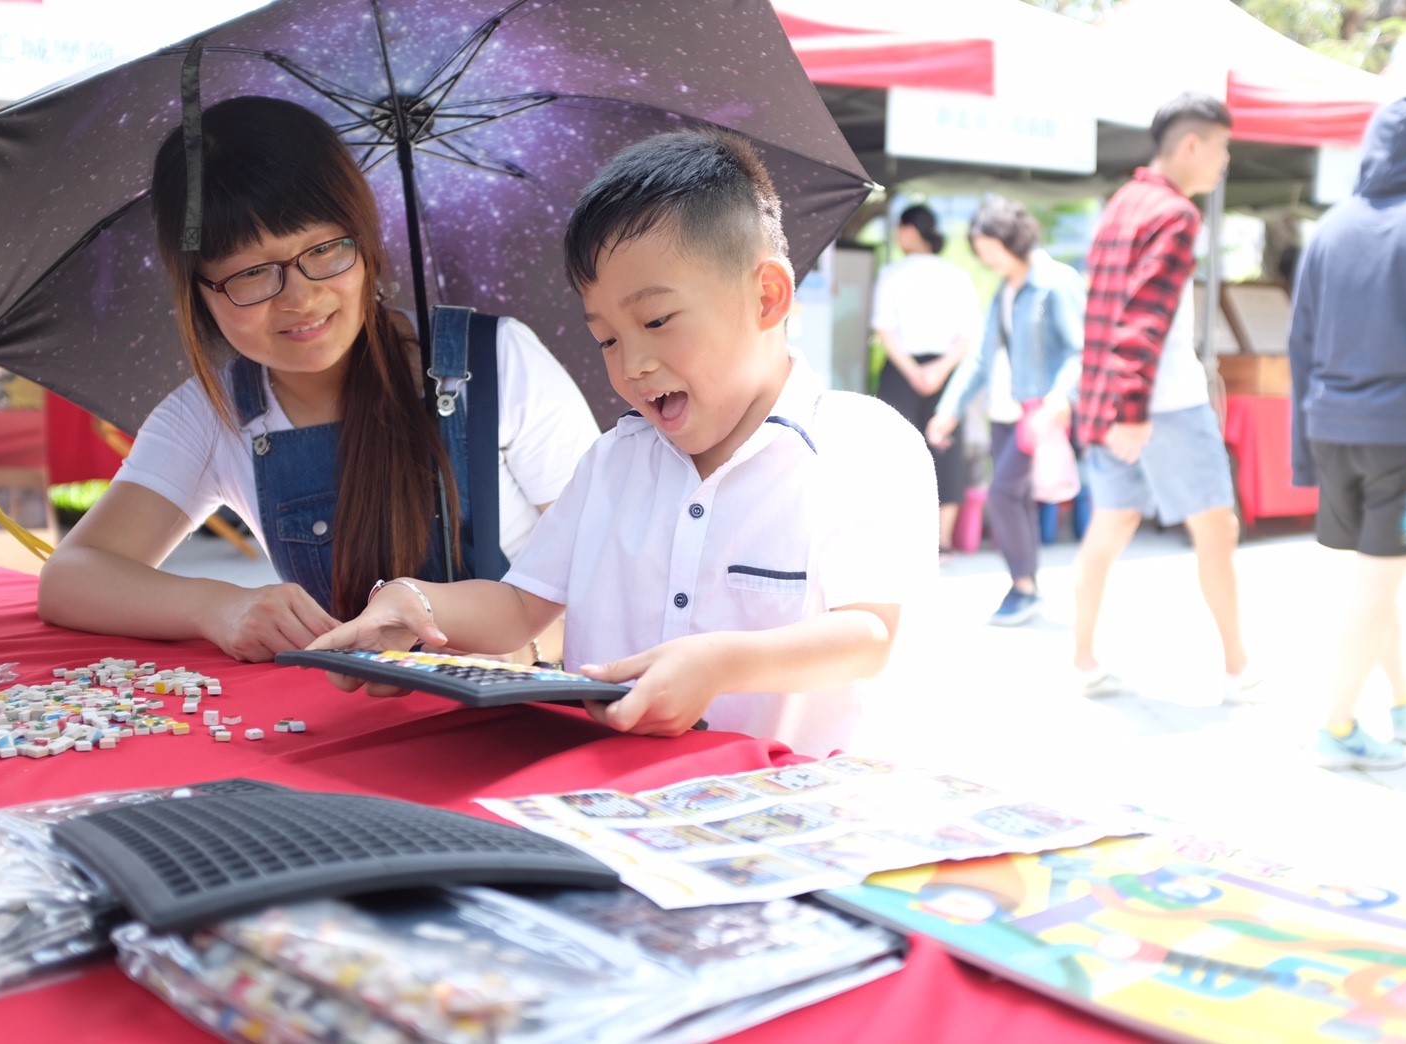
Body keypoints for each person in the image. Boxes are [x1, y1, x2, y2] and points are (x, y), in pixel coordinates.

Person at [312, 129, 937, 757]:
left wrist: (720, 663)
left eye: (657, 321)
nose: (631, 364)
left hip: (787, 815)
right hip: (606, 804)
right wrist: (413, 601)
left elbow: (868, 634)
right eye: (607, 338)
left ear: (767, 295)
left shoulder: (863, 447)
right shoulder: (612, 462)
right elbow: (516, 606)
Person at [37, 96, 600, 662]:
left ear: (364, 239)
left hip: (521, 715)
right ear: (199, 293)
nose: (301, 298)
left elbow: (606, 572)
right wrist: (217, 606)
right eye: (253, 273)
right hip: (344, 730)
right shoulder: (214, 415)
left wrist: (514, 650)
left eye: (325, 249)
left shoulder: (497, 362)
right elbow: (71, 578)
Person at [1069, 91, 1256, 700]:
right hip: (1160, 402)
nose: (1225, 161)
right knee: (1217, 528)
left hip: (1107, 398)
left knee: (1111, 523)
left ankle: (1083, 658)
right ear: (1193, 144)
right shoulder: (1176, 215)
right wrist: (1131, 408)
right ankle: (1236, 667)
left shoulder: (1123, 202)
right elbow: (1142, 321)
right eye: (1223, 147)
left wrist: (1114, 405)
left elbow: (1108, 313)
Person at [1288, 95, 1406, 770]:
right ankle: (1335, 725)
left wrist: (1303, 456)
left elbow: (1300, 342)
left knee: (1376, 576)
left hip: (1334, 430)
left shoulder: (1330, 228)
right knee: (1378, 583)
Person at [926, 197, 1084, 626]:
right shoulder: (1005, 288)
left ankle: (1023, 588)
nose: (984, 257)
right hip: (1003, 412)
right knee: (1017, 499)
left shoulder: (1055, 282)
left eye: (988, 247)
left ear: (1011, 239)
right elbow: (980, 356)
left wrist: (1060, 398)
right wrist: (950, 409)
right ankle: (1028, 587)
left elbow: (1078, 351)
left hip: (1037, 412)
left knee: (1002, 495)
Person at [872, 205, 980, 557]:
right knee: (945, 451)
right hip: (946, 370)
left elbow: (884, 328)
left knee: (893, 450)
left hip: (902, 370)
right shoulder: (957, 275)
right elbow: (967, 335)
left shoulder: (892, 273)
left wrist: (914, 372)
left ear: (908, 231)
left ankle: (899, 540)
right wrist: (940, 370)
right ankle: (942, 542)